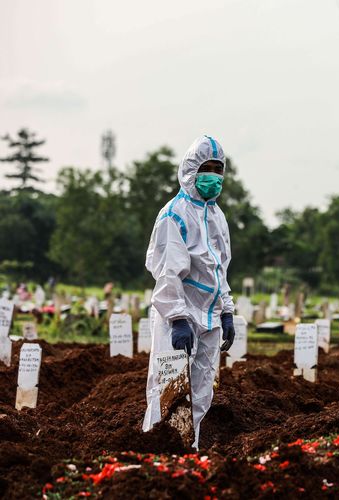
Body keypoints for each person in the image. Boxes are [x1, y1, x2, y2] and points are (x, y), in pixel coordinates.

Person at [142, 135, 236, 449]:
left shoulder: (217, 217)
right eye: (206, 168)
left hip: (209, 317)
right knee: (168, 387)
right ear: (191, 170)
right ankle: (159, 447)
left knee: (202, 387)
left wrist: (226, 310)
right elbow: (168, 271)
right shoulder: (174, 214)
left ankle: (190, 447)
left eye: (218, 169)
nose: (214, 176)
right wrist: (178, 317)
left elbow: (220, 268)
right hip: (178, 317)